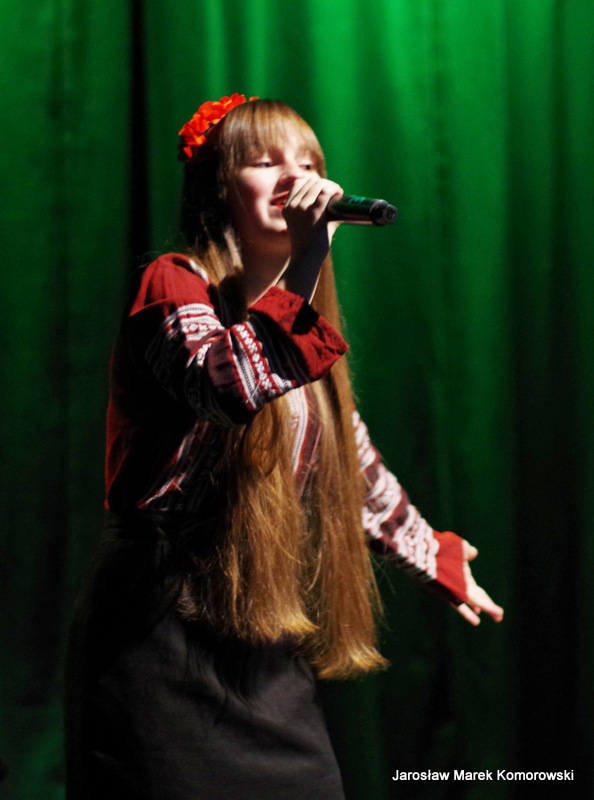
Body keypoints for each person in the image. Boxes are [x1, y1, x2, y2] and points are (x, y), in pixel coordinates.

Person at [64, 94, 503, 800]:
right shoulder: (174, 282)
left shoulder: (306, 328)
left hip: (260, 629)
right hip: (159, 624)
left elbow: (354, 467)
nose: (295, 179)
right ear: (216, 190)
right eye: (264, 162)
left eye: (308, 163)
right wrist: (306, 263)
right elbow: (224, 384)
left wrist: (430, 553)